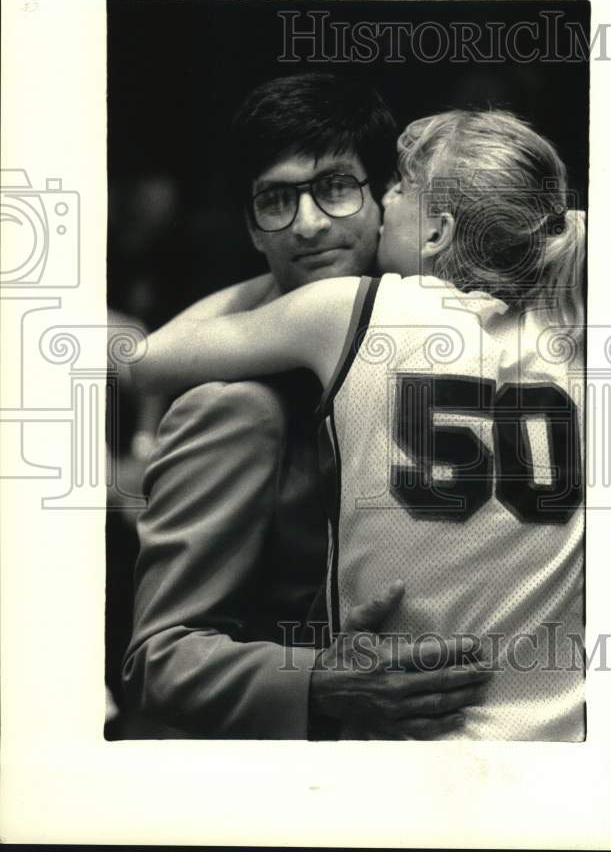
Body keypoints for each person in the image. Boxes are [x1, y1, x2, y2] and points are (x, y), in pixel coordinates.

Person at [133, 109, 587, 741]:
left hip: (408, 765)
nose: (378, 204)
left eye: (394, 187)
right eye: (277, 204)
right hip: (562, 746)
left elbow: (145, 360)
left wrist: (289, 271)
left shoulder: (354, 311)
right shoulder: (577, 337)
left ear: (435, 232)